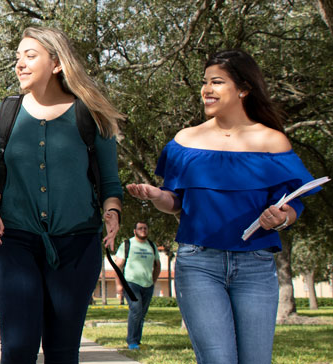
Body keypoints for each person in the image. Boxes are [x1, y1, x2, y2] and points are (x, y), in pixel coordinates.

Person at [125, 49, 319, 364]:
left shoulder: (273, 142)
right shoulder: (185, 141)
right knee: (218, 359)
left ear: (243, 89)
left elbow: (294, 205)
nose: (206, 89)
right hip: (199, 264)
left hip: (256, 267)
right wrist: (155, 195)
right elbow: (176, 203)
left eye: (217, 82)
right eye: (205, 82)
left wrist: (282, 217)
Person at [0, 26, 124, 363]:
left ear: (56, 64)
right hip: (14, 241)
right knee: (17, 348)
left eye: (30, 56)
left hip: (77, 244)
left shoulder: (90, 115)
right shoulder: (3, 115)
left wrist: (113, 212)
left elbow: (110, 186)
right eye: (17, 57)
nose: (19, 64)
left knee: (62, 350)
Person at [113, 221, 161, 350]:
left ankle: (137, 341)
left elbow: (157, 265)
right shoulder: (127, 244)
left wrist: (153, 280)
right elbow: (118, 266)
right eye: (140, 228)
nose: (143, 230)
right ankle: (132, 341)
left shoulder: (151, 245)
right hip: (131, 283)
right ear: (135, 231)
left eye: (145, 228)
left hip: (147, 284)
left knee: (142, 313)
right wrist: (118, 285)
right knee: (136, 310)